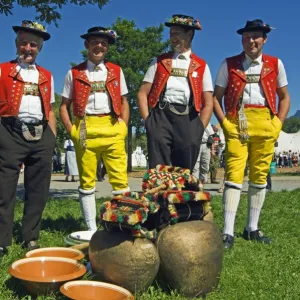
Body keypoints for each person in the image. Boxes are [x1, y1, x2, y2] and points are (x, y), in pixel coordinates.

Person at [213, 19, 290, 249]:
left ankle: (252, 228)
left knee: (259, 175)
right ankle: (228, 232)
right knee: (234, 175)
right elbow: (216, 97)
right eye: (246, 37)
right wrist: (225, 123)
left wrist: (278, 123)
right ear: (241, 40)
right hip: (238, 122)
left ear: (264, 39)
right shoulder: (229, 64)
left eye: (255, 37)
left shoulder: (276, 64)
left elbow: (284, 97)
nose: (251, 41)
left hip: (265, 122)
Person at [60, 26, 130, 231]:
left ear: (107, 47)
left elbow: (124, 101)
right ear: (87, 45)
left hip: (112, 125)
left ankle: (122, 225)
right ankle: (91, 229)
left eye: (104, 43)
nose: (99, 46)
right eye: (95, 42)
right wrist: (72, 130)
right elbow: (64, 106)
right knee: (87, 180)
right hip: (85, 128)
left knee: (120, 179)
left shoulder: (116, 71)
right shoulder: (74, 72)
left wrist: (123, 126)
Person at [0, 20, 56, 259]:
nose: (28, 48)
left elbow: (50, 109)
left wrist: (52, 137)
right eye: (24, 43)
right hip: (9, 130)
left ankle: (30, 237)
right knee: (4, 188)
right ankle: (2, 241)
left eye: (33, 44)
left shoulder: (47, 75)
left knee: (38, 189)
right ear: (16, 45)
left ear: (39, 48)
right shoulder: (2, 70)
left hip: (41, 132)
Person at [138, 14, 213, 172]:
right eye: (171, 34)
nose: (172, 38)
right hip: (160, 116)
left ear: (190, 34)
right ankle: (159, 196)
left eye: (176, 34)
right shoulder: (159, 61)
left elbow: (208, 102)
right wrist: (149, 122)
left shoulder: (201, 65)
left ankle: (180, 197)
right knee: (158, 170)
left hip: (189, 118)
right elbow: (142, 93)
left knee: (184, 172)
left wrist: (199, 128)